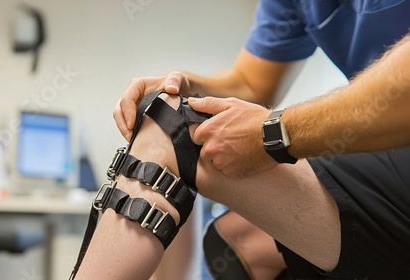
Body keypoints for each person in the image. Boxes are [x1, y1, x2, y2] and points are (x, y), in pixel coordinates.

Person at [74, 1, 410, 279]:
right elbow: (251, 84)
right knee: (235, 243)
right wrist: (185, 88)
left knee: (172, 126)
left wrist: (274, 133)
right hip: (379, 157)